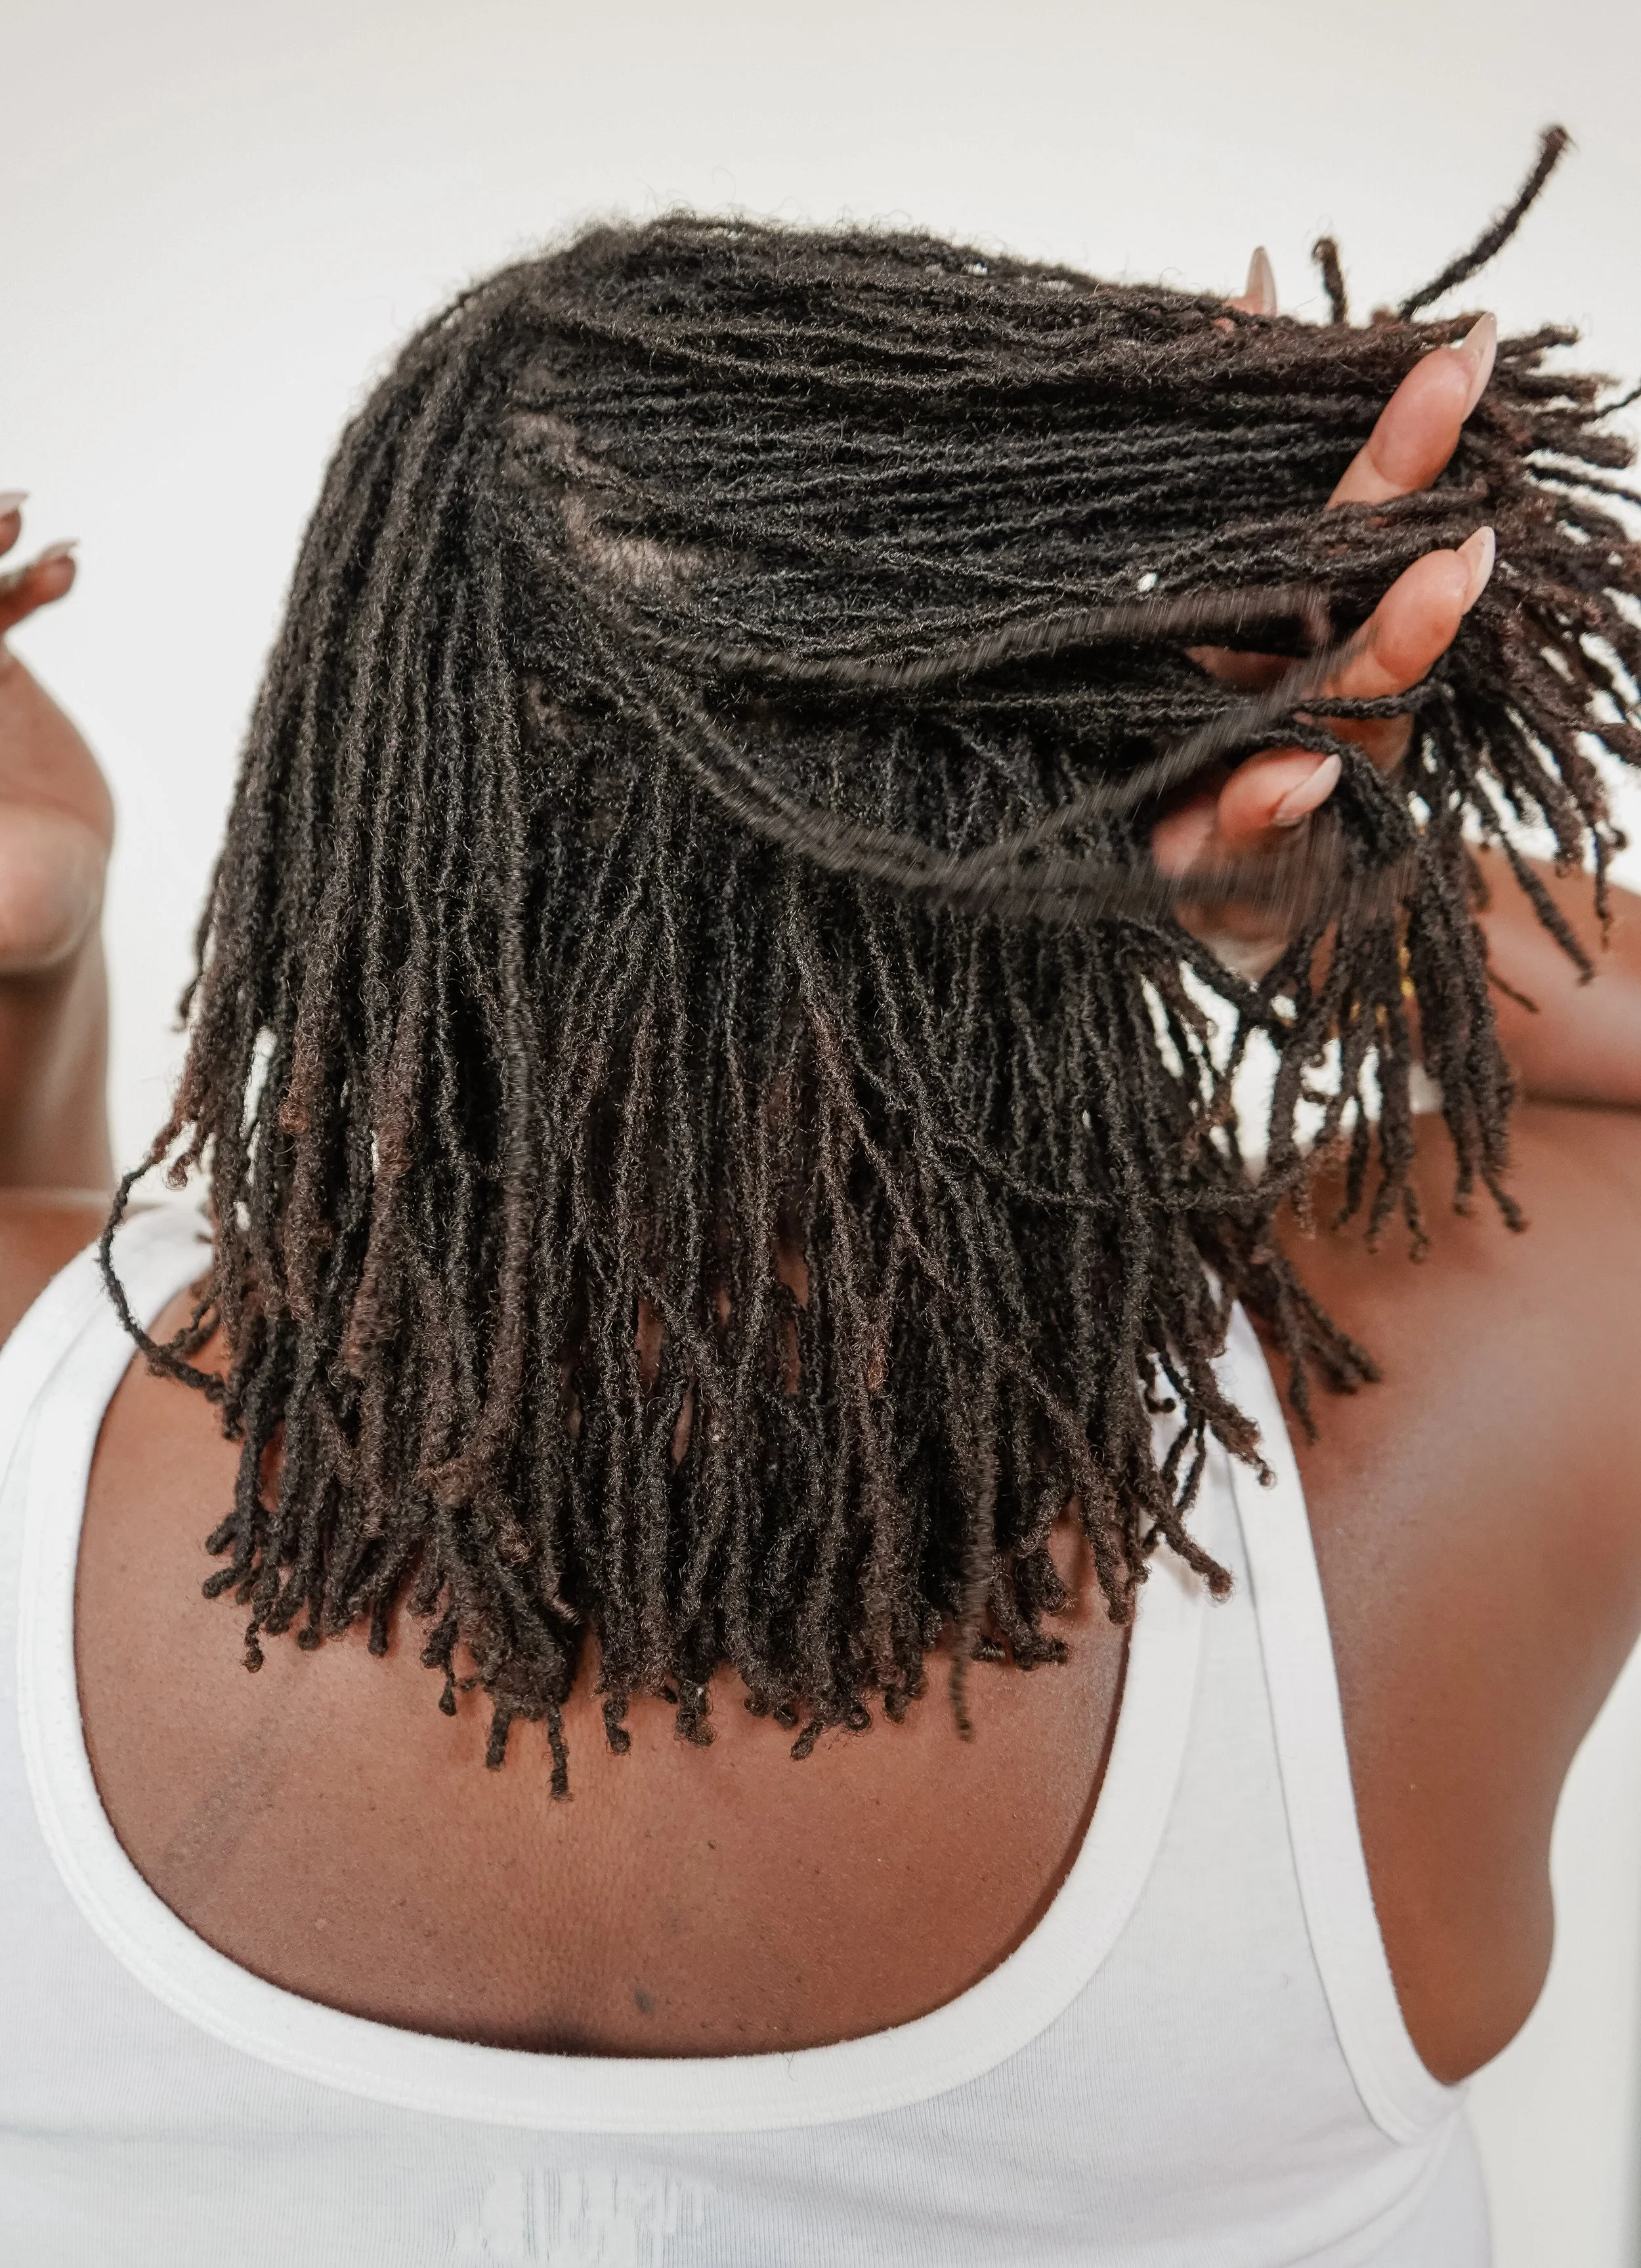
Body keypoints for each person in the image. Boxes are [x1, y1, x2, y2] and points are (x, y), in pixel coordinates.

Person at [1, 183, 1638, 2267]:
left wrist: (36, 941)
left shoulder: (42, 1417)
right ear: (1033, 804)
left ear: (357, 823)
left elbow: (52, 1258)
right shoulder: (1425, 1453)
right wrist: (1301, 891)